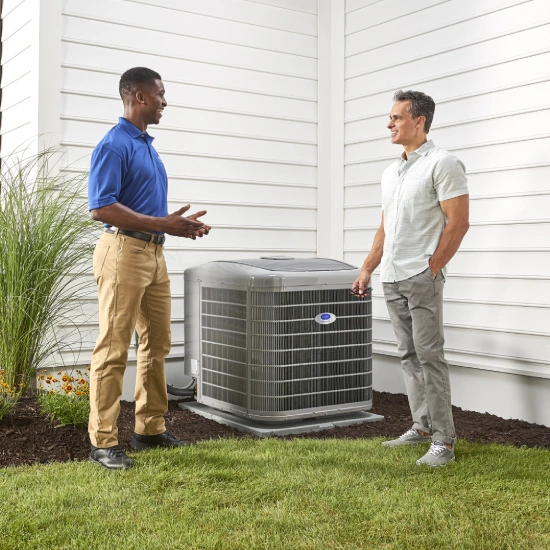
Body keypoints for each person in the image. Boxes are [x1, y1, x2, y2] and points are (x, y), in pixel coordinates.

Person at [87, 67, 210, 470]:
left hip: (153, 255)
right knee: (113, 348)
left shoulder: (147, 146)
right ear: (139, 96)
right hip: (122, 252)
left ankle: (150, 429)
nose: (164, 100)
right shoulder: (114, 145)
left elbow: (146, 209)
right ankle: (103, 441)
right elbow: (101, 207)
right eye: (159, 93)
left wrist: (180, 227)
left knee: (157, 343)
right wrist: (163, 225)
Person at [352, 90, 469, 467]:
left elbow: (459, 222)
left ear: (419, 121)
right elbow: (386, 227)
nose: (389, 124)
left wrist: (432, 267)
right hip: (393, 276)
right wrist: (369, 267)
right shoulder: (392, 171)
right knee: (408, 355)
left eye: (396, 117)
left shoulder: (443, 163)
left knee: (430, 357)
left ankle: (444, 442)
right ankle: (420, 426)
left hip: (421, 276)